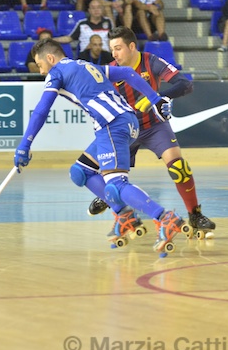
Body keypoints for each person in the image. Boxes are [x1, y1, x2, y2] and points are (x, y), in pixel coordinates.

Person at [14, 38, 187, 255]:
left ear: (50, 58)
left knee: (116, 185)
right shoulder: (86, 65)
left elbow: (41, 111)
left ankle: (164, 218)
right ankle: (124, 215)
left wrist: (24, 145)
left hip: (111, 124)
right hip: (126, 121)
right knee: (80, 172)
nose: (41, 72)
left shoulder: (56, 72)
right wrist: (154, 99)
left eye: (40, 65)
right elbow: (127, 73)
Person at [83, 26, 216, 237]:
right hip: (124, 129)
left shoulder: (151, 62)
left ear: (132, 46)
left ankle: (195, 215)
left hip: (154, 125)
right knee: (103, 176)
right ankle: (113, 201)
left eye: (118, 48)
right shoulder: (110, 71)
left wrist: (160, 98)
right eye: (112, 49)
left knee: (179, 167)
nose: (114, 54)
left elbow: (185, 84)